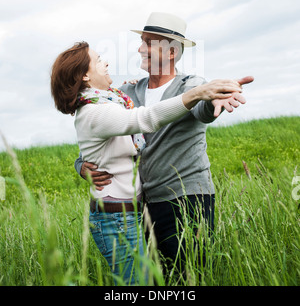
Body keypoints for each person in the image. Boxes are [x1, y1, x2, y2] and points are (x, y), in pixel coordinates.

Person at [51, 40, 244, 285]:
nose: (140, 48)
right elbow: (143, 119)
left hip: (182, 198)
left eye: (148, 43)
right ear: (86, 76)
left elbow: (203, 110)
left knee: (186, 277)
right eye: (99, 60)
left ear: (171, 52)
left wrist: (208, 97)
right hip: (125, 214)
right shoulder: (104, 106)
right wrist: (81, 165)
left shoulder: (121, 96)